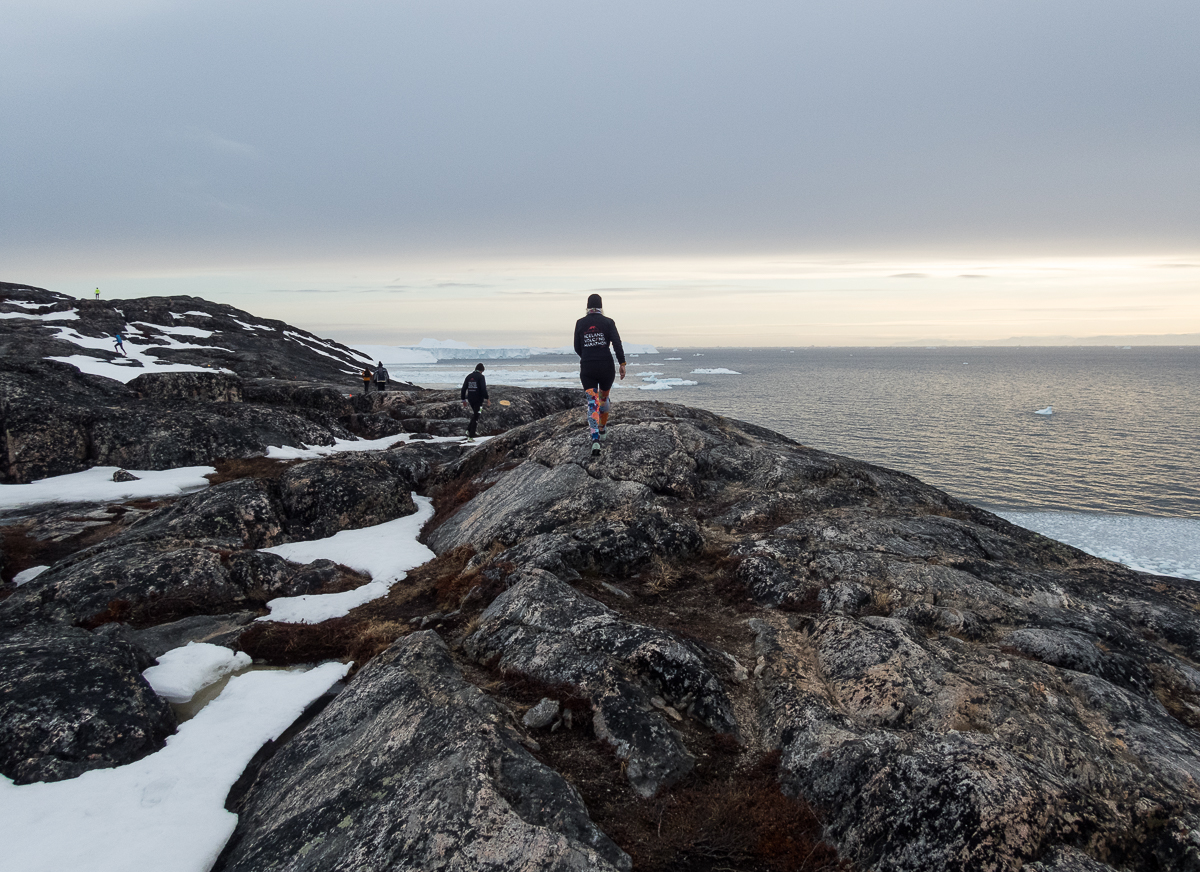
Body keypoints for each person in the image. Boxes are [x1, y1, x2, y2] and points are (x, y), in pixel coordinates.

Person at [573, 292, 625, 455]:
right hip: (606, 367)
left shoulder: (580, 323)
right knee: (604, 398)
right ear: (601, 307)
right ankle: (602, 429)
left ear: (587, 307)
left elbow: (576, 346)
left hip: (587, 368)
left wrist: (587, 356)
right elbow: (616, 343)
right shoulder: (608, 322)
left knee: (592, 403)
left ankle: (595, 440)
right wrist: (622, 363)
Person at [460, 363, 490, 442]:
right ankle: (470, 436)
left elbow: (463, 389)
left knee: (475, 415)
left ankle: (468, 430)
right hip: (478, 400)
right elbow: (483, 389)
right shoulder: (481, 377)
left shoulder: (469, 376)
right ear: (482, 370)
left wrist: (463, 400)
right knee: (476, 416)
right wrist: (487, 398)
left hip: (470, 399)